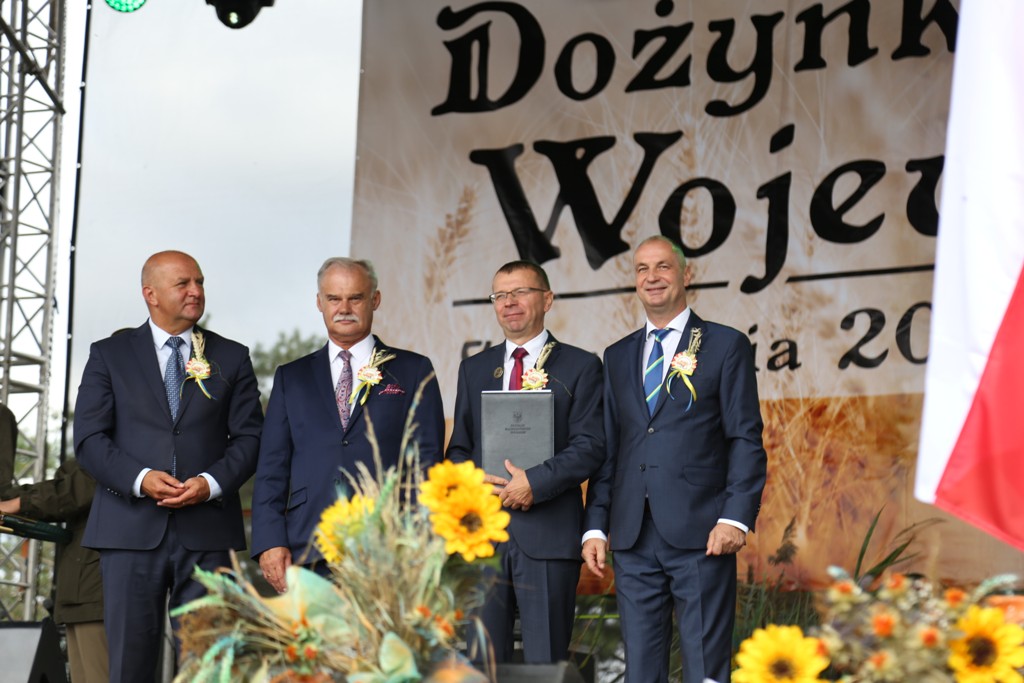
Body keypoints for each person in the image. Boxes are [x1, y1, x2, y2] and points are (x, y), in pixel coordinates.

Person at [582, 236, 767, 683]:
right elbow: (611, 449)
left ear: (687, 274)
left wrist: (735, 519)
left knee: (704, 667)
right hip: (632, 536)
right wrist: (596, 525)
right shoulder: (617, 355)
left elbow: (745, 438)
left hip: (702, 532)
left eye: (663, 266)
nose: (652, 277)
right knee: (641, 671)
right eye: (642, 269)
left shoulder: (725, 345)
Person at [73, 250, 264, 682]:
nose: (196, 291)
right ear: (151, 294)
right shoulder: (109, 354)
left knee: (209, 665)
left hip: (208, 531)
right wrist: (140, 479)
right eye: (183, 284)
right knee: (130, 665)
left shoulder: (231, 356)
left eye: (199, 282)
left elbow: (252, 438)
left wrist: (210, 483)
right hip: (128, 530)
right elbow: (89, 439)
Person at [251, 257, 445, 593]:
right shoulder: (291, 377)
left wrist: (420, 541)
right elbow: (271, 468)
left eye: (355, 298)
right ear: (319, 302)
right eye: (334, 298)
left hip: (390, 549)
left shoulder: (413, 370)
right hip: (307, 546)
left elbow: (426, 464)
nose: (344, 308)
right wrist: (269, 542)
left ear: (375, 300)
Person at [446, 260, 604, 663]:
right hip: (484, 538)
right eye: (500, 295)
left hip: (549, 535)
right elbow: (459, 449)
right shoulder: (474, 369)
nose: (508, 302)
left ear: (547, 299)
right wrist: (474, 481)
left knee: (545, 664)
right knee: (482, 664)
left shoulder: (581, 366)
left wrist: (535, 481)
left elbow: (590, 446)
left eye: (520, 292)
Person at [0, 459, 108, 683]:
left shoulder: (115, 450)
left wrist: (20, 502)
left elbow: (78, 488)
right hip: (80, 585)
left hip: (97, 588)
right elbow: (65, 486)